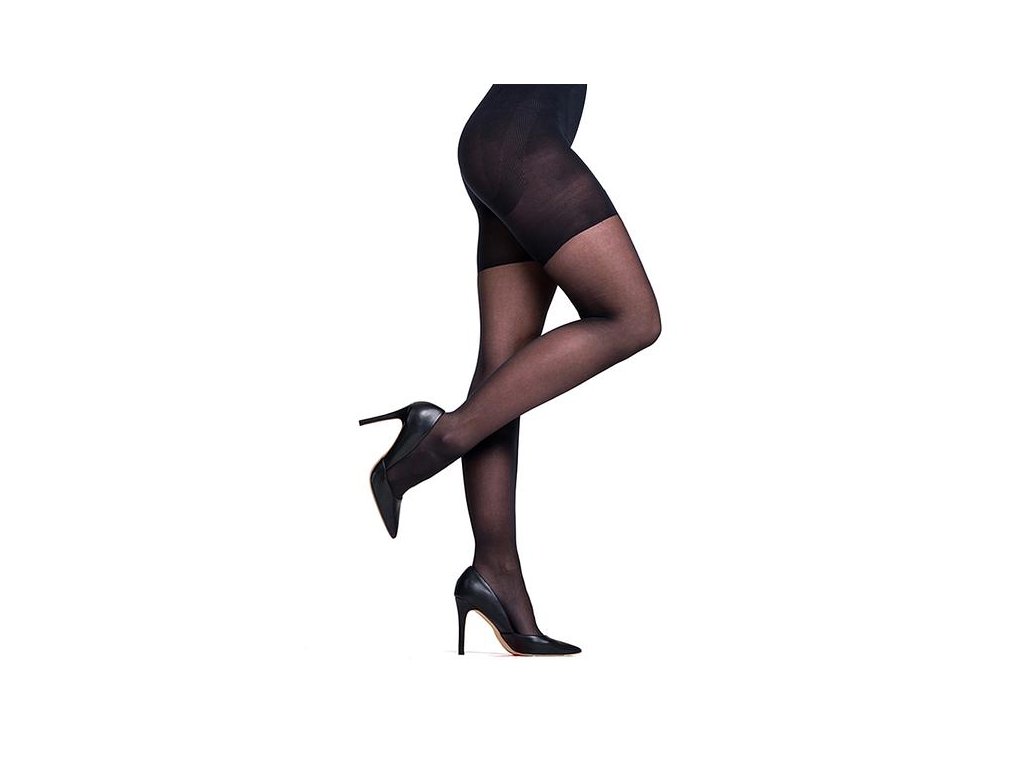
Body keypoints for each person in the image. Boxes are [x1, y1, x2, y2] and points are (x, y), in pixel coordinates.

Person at [359, 84, 661, 656]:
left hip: (508, 143)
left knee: (503, 373)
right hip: (521, 147)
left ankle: (495, 572)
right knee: (632, 318)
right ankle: (435, 440)